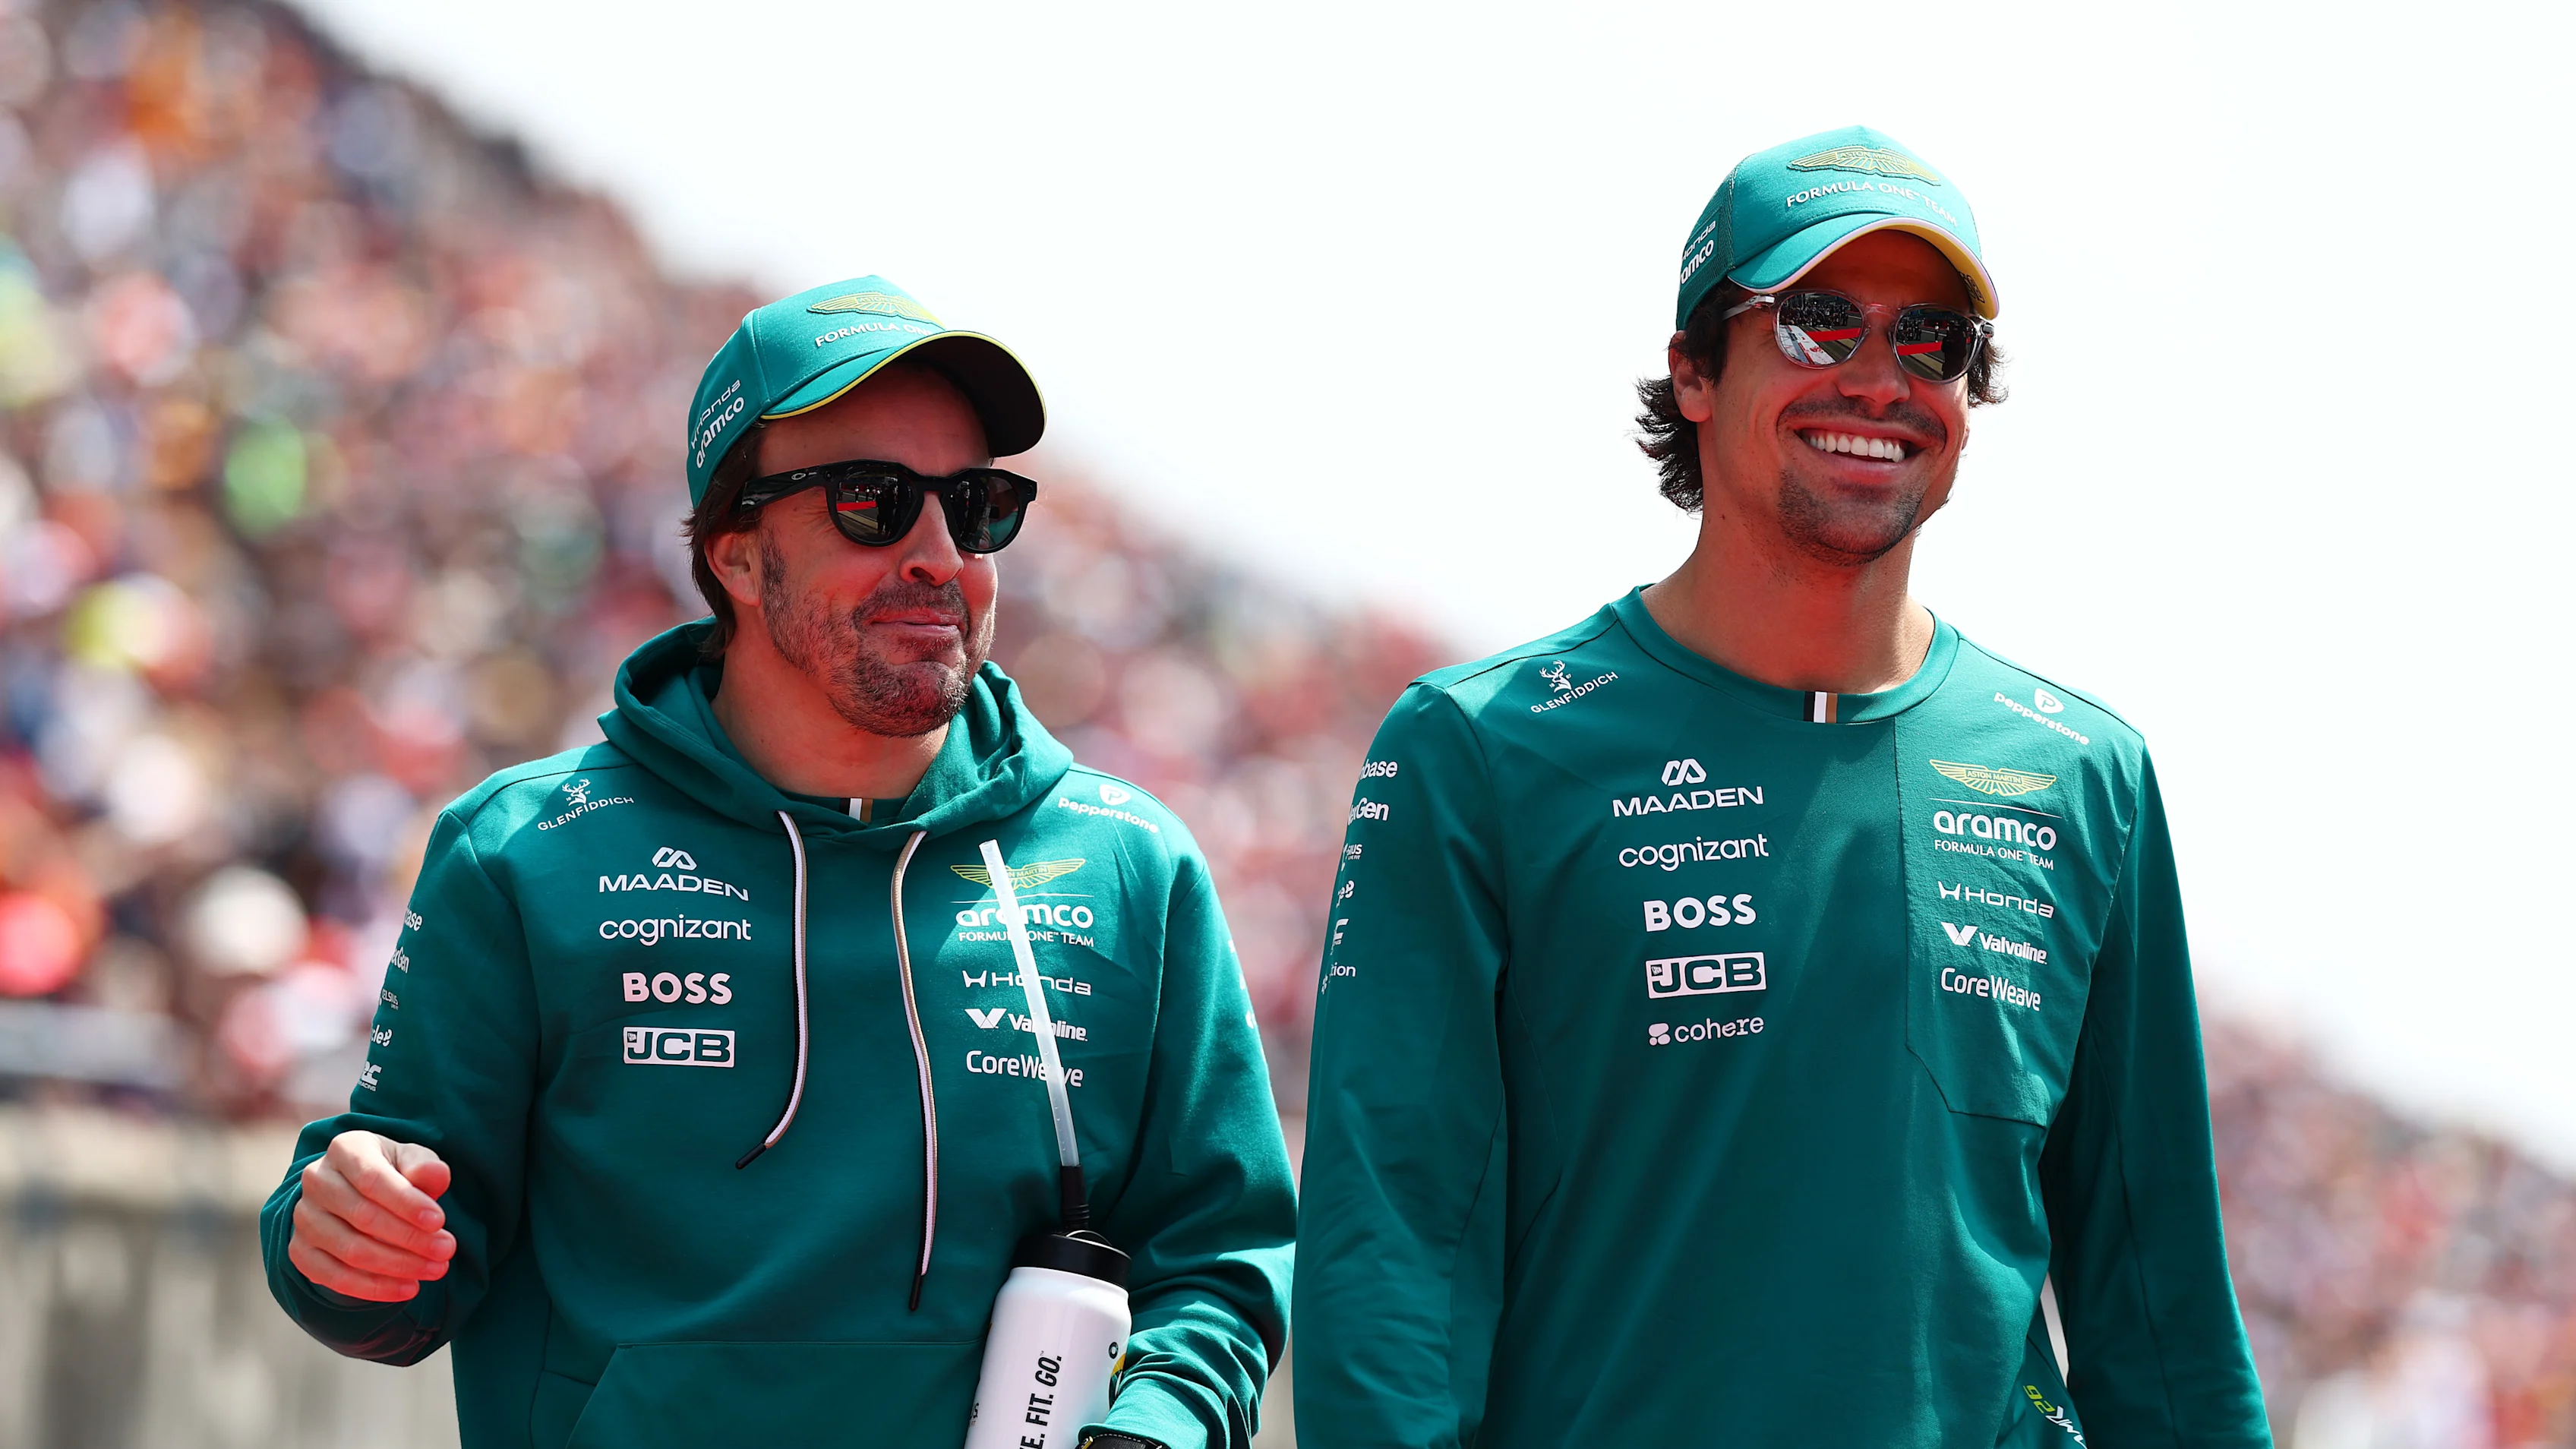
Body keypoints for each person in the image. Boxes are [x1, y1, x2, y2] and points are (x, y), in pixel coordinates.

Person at [1294, 127, 2271, 1447]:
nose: (1879, 379)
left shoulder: (2083, 772)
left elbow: (2159, 1308)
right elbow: (1391, 1253)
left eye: (1931, 339)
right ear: (1696, 369)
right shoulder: (1480, 748)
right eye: (1817, 323)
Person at [260, 277, 1293, 1449]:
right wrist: (343, 1231)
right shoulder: (523, 851)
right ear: (738, 554)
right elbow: (394, 1256)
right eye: (873, 502)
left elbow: (1221, 1259)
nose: (940, 553)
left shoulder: (1131, 865)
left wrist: (1155, 1427)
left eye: (977, 504)